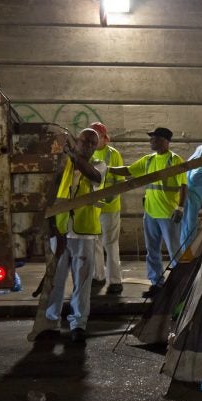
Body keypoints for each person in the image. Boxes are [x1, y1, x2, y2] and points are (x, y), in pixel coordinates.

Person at [44, 128, 106, 343]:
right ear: (77, 142)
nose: (87, 146)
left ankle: (78, 324)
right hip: (61, 230)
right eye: (84, 141)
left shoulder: (99, 165)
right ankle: (50, 321)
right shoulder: (63, 165)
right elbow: (52, 196)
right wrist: (52, 228)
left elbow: (94, 176)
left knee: (82, 282)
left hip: (84, 233)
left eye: (92, 143)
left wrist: (73, 154)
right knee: (56, 280)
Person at [109, 127, 187, 298]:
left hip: (168, 214)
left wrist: (180, 207)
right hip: (151, 214)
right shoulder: (148, 160)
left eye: (155, 138)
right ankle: (156, 283)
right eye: (151, 139)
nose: (151, 141)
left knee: (174, 251)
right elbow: (129, 170)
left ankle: (180, 286)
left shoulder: (174, 160)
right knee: (152, 251)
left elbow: (183, 185)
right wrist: (108, 169)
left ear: (165, 141)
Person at [89, 122, 125, 296]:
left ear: (105, 138)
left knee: (110, 244)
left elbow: (120, 180)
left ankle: (115, 281)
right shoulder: (88, 154)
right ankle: (98, 276)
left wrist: (110, 197)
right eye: (93, 136)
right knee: (94, 243)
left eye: (98, 136)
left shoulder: (113, 155)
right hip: (93, 208)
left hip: (110, 207)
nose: (96, 140)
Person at [180, 144, 202, 252]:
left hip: (190, 199)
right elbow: (195, 178)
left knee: (186, 227)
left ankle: (185, 253)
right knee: (190, 228)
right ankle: (187, 254)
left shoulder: (191, 162)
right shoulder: (200, 163)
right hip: (192, 200)